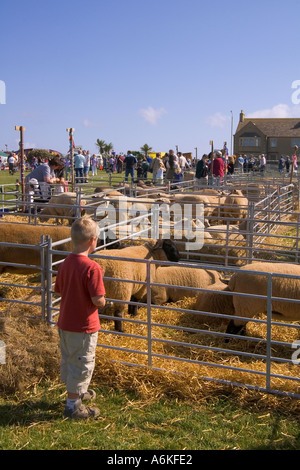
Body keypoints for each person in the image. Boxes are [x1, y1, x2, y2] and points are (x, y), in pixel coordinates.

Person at [54, 217, 106, 420]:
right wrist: (103, 302)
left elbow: (59, 290)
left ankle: (78, 392)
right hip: (83, 326)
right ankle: (73, 407)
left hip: (65, 322)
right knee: (82, 363)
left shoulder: (65, 263)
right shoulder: (92, 268)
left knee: (69, 359)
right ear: (93, 240)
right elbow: (97, 299)